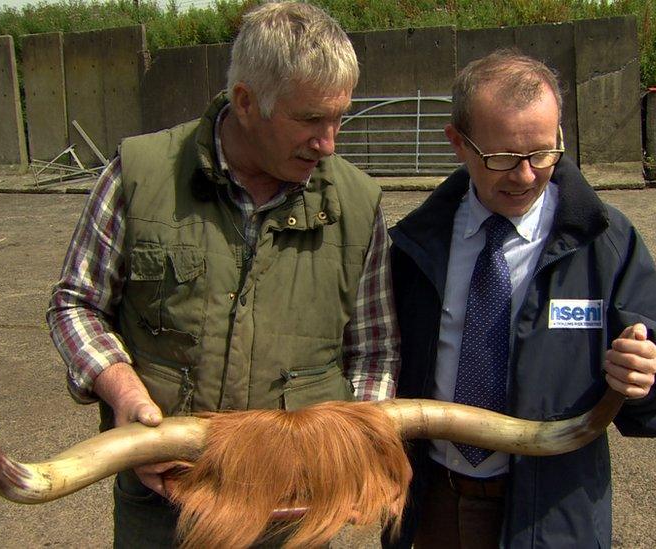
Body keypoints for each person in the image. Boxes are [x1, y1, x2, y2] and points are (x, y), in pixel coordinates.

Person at [46, 2, 400, 546]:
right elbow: (76, 304)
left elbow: (374, 351)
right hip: (167, 501)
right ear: (245, 102)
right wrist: (123, 393)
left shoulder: (357, 203)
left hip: (294, 509)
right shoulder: (139, 175)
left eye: (338, 117)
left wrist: (349, 448)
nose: (329, 143)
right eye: (309, 119)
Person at [386, 49, 656, 548]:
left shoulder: (605, 240)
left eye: (543, 153)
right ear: (458, 144)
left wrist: (650, 375)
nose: (525, 175)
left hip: (552, 511)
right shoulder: (413, 246)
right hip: (431, 505)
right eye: (502, 158)